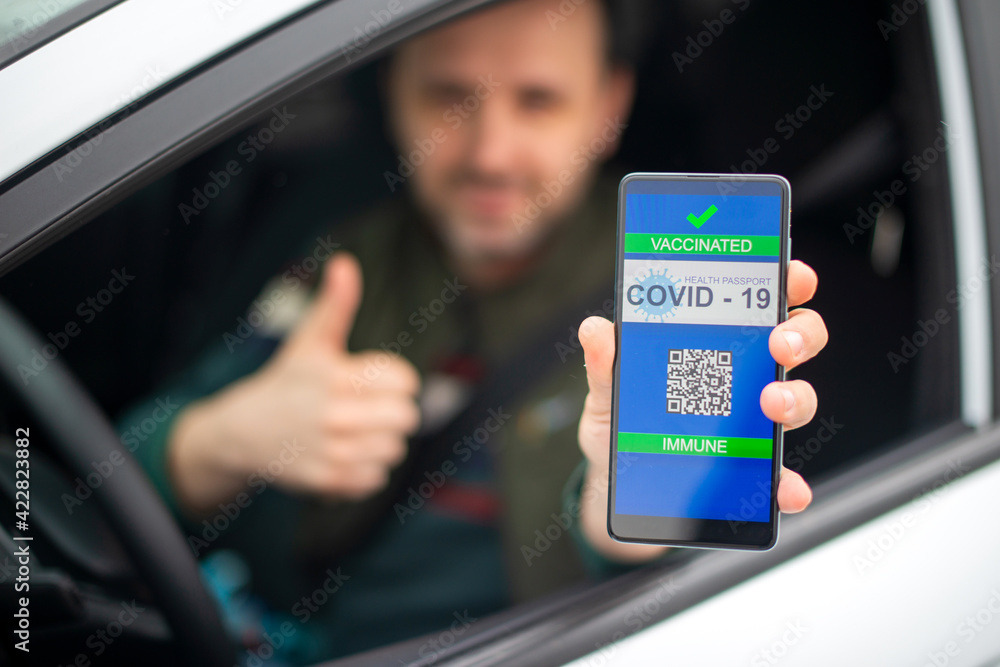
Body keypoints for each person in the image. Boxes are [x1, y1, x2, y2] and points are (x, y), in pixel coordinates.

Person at [121, 0, 827, 661]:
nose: (490, 152)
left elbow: (697, 601)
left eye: (538, 100)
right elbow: (107, 476)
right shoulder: (343, 257)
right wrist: (227, 438)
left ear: (608, 107)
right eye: (449, 95)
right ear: (395, 90)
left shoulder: (673, 291)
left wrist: (632, 507)